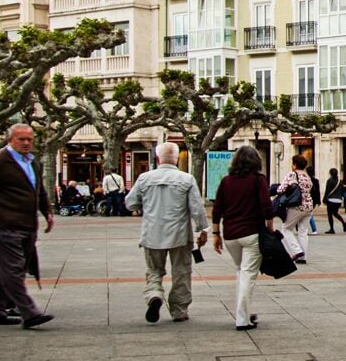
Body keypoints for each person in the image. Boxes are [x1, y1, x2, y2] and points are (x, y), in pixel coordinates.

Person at [0, 123, 55, 328]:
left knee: (7, 270)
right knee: (13, 270)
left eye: (29, 139)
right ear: (10, 140)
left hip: (27, 225)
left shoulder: (32, 162)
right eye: (21, 139)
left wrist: (47, 212)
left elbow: (39, 190)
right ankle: (29, 312)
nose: (26, 143)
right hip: (3, 224)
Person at [123, 141, 207, 323]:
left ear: (158, 157)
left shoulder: (145, 178)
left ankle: (154, 294)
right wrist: (203, 229)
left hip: (152, 233)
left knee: (153, 269)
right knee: (182, 272)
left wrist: (145, 204)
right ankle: (179, 309)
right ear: (176, 159)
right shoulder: (186, 179)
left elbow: (130, 203)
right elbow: (197, 209)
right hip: (180, 234)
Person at [211, 146, 275, 331]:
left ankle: (244, 313)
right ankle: (242, 319)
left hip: (230, 235)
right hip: (251, 233)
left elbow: (217, 210)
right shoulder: (258, 180)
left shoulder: (226, 181)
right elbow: (266, 206)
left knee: (241, 271)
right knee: (248, 274)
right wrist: (270, 227)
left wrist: (216, 234)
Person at [276, 155, 314, 263]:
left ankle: (296, 251)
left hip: (296, 206)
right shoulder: (307, 176)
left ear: (295, 165)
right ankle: (303, 257)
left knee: (286, 229)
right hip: (308, 207)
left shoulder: (292, 174)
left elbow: (281, 189)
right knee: (303, 232)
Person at [323, 168, 346, 234]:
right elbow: (342, 190)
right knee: (335, 213)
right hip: (338, 200)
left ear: (330, 174)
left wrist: (324, 199)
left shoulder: (329, 181)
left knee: (330, 214)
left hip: (331, 199)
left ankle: (332, 229)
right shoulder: (340, 181)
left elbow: (327, 191)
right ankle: (343, 222)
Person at [306, 166, 321, 235]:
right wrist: (319, 200)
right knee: (308, 214)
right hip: (314, 200)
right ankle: (311, 229)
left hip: (308, 199)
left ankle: (313, 229)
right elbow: (318, 191)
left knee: (308, 214)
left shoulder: (306, 180)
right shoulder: (316, 180)